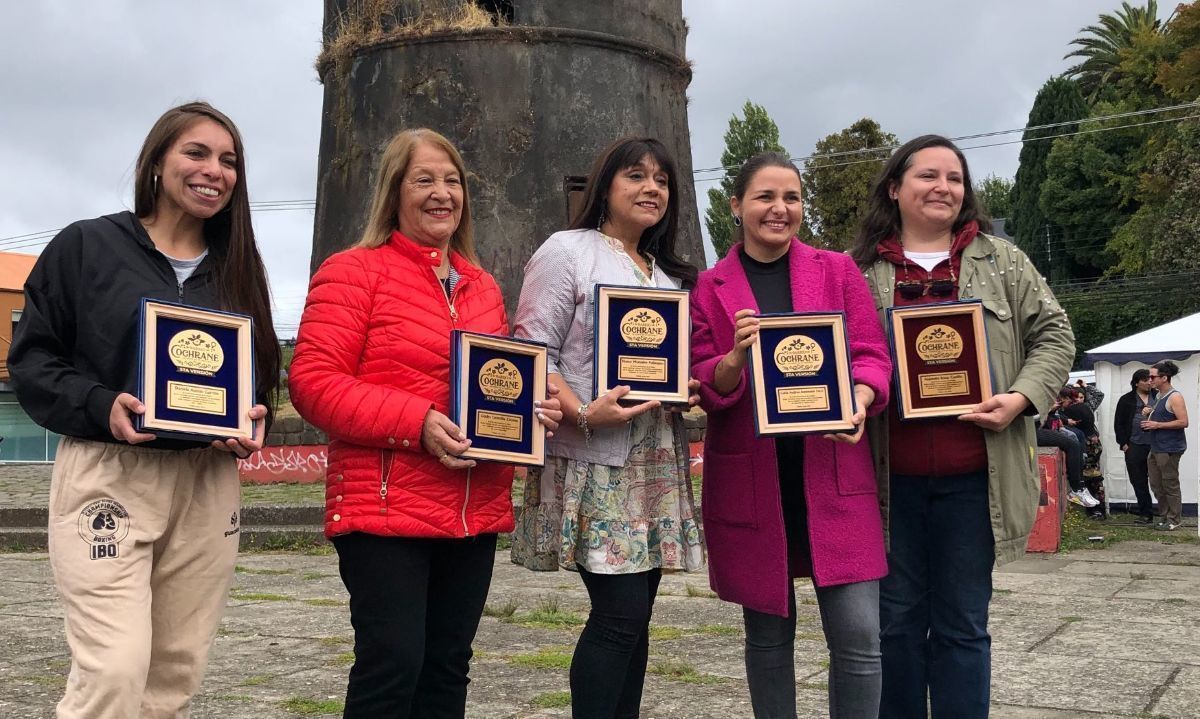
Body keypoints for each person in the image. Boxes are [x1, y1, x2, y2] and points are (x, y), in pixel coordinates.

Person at [7, 102, 279, 718]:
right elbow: (32, 362)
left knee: (174, 672)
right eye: (197, 152)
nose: (215, 171)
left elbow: (262, 373)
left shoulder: (240, 266)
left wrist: (252, 418)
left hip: (208, 481)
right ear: (158, 161)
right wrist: (102, 406)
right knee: (114, 667)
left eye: (230, 160)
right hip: (108, 472)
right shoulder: (86, 247)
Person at [287, 128, 562, 718]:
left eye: (453, 180)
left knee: (446, 669)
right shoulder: (353, 272)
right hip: (385, 509)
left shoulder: (482, 285)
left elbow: (495, 385)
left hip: (473, 507)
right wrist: (417, 421)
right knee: (393, 663)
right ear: (394, 191)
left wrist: (527, 416)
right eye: (425, 180)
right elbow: (313, 381)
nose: (443, 194)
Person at [851, 135, 1075, 719]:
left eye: (954, 178)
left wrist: (1021, 398)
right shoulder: (858, 272)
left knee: (963, 625)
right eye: (928, 176)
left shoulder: (1003, 262)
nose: (943, 188)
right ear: (895, 188)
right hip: (886, 485)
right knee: (893, 625)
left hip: (976, 483)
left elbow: (1055, 336)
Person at [690, 152, 892, 719]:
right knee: (768, 639)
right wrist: (732, 357)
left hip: (831, 472)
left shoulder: (836, 270)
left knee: (858, 639)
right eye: (765, 197)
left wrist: (860, 397)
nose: (780, 209)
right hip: (756, 482)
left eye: (792, 198)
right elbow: (706, 379)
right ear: (736, 205)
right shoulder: (710, 287)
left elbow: (871, 355)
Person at [510, 137, 704, 719]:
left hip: (655, 455)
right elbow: (530, 352)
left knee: (638, 614)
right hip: (595, 453)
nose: (651, 189)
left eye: (662, 181)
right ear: (606, 186)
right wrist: (579, 411)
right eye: (636, 176)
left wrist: (683, 388)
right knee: (618, 616)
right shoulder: (567, 251)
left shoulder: (665, 272)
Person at [1143, 360, 1189, 531]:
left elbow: (1184, 422)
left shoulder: (1175, 396)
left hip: (1169, 448)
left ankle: (1174, 519)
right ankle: (1164, 516)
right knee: (1156, 484)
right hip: (1156, 447)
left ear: (1164, 378)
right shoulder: (1158, 396)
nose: (1149, 380)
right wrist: (1150, 412)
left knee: (1170, 483)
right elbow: (1164, 414)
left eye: (1152, 377)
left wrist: (1157, 425)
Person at [1036, 399, 1096, 508]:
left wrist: (1052, 410)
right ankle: (1076, 488)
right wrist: (1049, 409)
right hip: (1033, 431)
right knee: (1072, 444)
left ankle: (1080, 486)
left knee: (1075, 442)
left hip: (1041, 427)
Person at [1114, 369, 1154, 522]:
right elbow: (1119, 423)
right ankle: (1145, 513)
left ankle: (1166, 513)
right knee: (1138, 479)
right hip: (1134, 444)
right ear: (1136, 382)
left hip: (1155, 444)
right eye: (1145, 380)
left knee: (1158, 480)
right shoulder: (1126, 399)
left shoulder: (1157, 397)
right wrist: (1123, 443)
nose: (1149, 382)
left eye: (1150, 379)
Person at [1061, 388, 1106, 519]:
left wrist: (1086, 386)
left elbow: (1099, 394)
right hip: (1088, 442)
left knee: (1093, 478)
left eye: (1081, 397)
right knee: (1090, 479)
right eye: (1076, 397)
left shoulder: (1083, 407)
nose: (1079, 400)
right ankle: (1094, 509)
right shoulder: (1077, 408)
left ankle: (1097, 510)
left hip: (1089, 444)